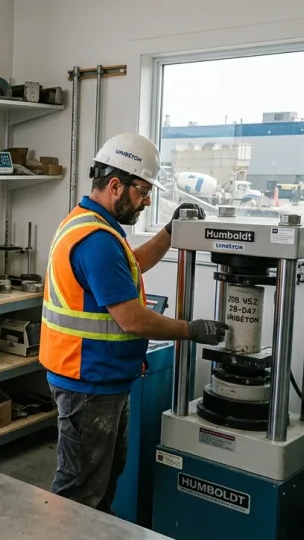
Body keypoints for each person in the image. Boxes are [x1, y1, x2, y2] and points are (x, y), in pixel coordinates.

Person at [40, 133, 230, 513]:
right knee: (80, 492)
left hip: (97, 376)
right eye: (143, 192)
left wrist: (169, 233)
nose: (145, 202)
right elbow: (131, 319)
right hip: (88, 382)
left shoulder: (91, 224)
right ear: (115, 185)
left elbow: (132, 265)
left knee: (103, 479)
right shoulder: (96, 239)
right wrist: (190, 331)